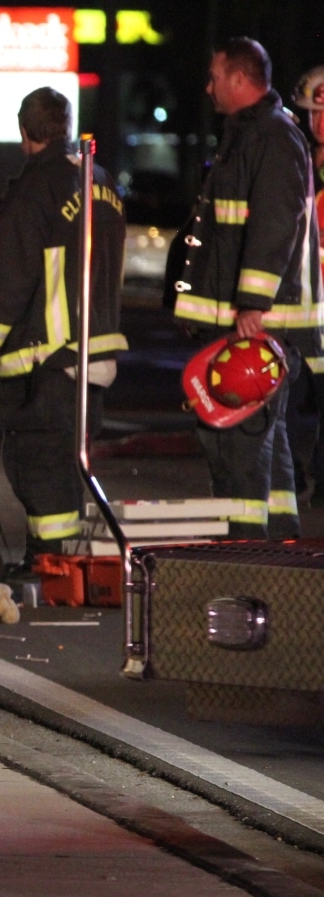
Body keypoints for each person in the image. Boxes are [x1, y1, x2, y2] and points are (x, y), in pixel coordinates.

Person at [0, 88, 127, 562]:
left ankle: (52, 564)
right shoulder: (102, 182)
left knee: (38, 465)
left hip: (48, 358)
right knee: (67, 465)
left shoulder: (37, 188)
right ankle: (63, 561)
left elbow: (10, 273)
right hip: (96, 353)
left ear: (24, 131)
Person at [172, 38, 321, 538]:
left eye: (216, 77)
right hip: (249, 321)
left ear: (240, 79)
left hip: (260, 324)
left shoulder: (273, 139)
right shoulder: (253, 135)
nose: (209, 87)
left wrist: (253, 304)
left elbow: (274, 225)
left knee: (238, 443)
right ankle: (276, 538)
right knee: (264, 440)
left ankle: (243, 548)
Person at [286, 65, 324, 503]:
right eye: (310, 114)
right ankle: (293, 476)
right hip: (306, 307)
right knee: (292, 398)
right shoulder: (297, 159)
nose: (315, 124)